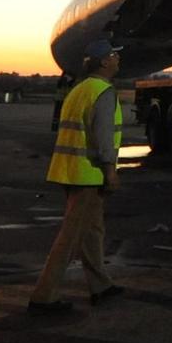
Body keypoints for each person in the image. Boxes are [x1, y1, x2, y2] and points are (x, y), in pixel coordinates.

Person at [28, 39, 126, 314]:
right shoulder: (103, 91)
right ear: (104, 62)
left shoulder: (79, 89)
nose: (118, 60)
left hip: (70, 170)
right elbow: (103, 135)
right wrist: (110, 170)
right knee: (70, 236)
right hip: (88, 172)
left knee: (92, 231)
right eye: (114, 56)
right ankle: (43, 297)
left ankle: (100, 286)